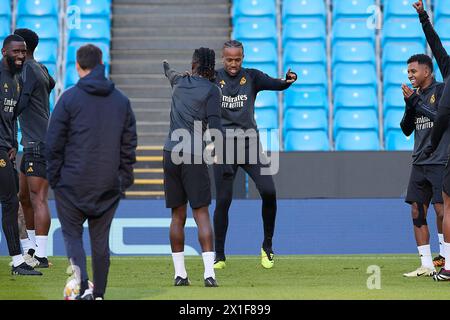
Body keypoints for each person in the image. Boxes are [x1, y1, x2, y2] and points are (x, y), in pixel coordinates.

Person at [46, 44, 137, 299]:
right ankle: (99, 295)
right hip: (107, 185)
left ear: (77, 66)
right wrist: (123, 180)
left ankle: (82, 286)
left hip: (71, 184)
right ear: (101, 65)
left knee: (73, 237)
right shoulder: (121, 101)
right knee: (101, 243)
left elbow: (53, 143)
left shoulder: (69, 99)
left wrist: (55, 179)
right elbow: (129, 145)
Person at [213, 40, 297, 269]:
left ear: (243, 57)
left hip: (250, 145)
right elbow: (195, 93)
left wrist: (288, 80)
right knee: (223, 200)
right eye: (229, 59)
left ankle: (267, 246)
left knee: (269, 191)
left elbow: (276, 84)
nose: (233, 64)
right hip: (223, 147)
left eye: (237, 59)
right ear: (223, 58)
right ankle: (219, 255)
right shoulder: (213, 77)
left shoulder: (252, 77)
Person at [163, 47, 223, 287]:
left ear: (194, 63)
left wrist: (166, 64)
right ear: (210, 66)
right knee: (201, 213)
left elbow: (169, 71)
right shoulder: (212, 91)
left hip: (170, 152)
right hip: (194, 154)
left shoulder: (178, 82)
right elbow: (216, 126)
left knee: (177, 216)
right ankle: (209, 274)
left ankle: (180, 275)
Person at [400, 54, 447, 277]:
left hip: (440, 160)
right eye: (408, 72)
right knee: (417, 210)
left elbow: (441, 118)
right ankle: (426, 264)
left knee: (441, 210)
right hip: (419, 161)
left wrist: (416, 102)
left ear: (426, 72)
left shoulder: (441, 90)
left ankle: (445, 259)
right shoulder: (415, 96)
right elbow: (406, 129)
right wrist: (410, 105)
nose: (410, 75)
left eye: (413, 71)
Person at [413, 0, 450, 280]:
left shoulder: (445, 76)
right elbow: (435, 44)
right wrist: (424, 17)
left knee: (445, 208)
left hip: (442, 156)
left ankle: (446, 266)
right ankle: (437, 264)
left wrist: (432, 143)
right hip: (432, 156)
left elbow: (441, 118)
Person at [13, 28, 55, 268]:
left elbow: (24, 99)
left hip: (37, 142)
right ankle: (31, 248)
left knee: (39, 198)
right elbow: (52, 83)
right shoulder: (40, 68)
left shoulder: (28, 69)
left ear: (24, 47)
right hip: (30, 141)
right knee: (24, 196)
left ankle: (41, 254)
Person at [0, 34, 41, 275]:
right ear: (4, 51)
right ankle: (18, 262)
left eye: (23, 52)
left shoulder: (17, 80)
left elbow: (11, 116)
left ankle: (19, 260)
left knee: (10, 200)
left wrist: (13, 143)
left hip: (6, 147)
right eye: (16, 51)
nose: (20, 55)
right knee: (10, 201)